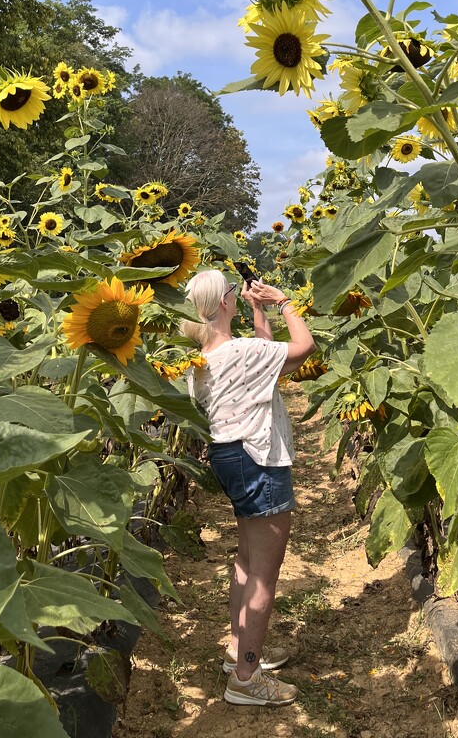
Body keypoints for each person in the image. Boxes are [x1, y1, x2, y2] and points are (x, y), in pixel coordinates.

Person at [182, 268, 316, 707]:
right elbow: (303, 349)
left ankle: (238, 652)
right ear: (224, 303)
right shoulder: (240, 353)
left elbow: (268, 362)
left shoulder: (204, 358)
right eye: (233, 295)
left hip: (230, 458)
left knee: (246, 559)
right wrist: (283, 302)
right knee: (264, 574)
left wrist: (257, 310)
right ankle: (246, 677)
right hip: (259, 459)